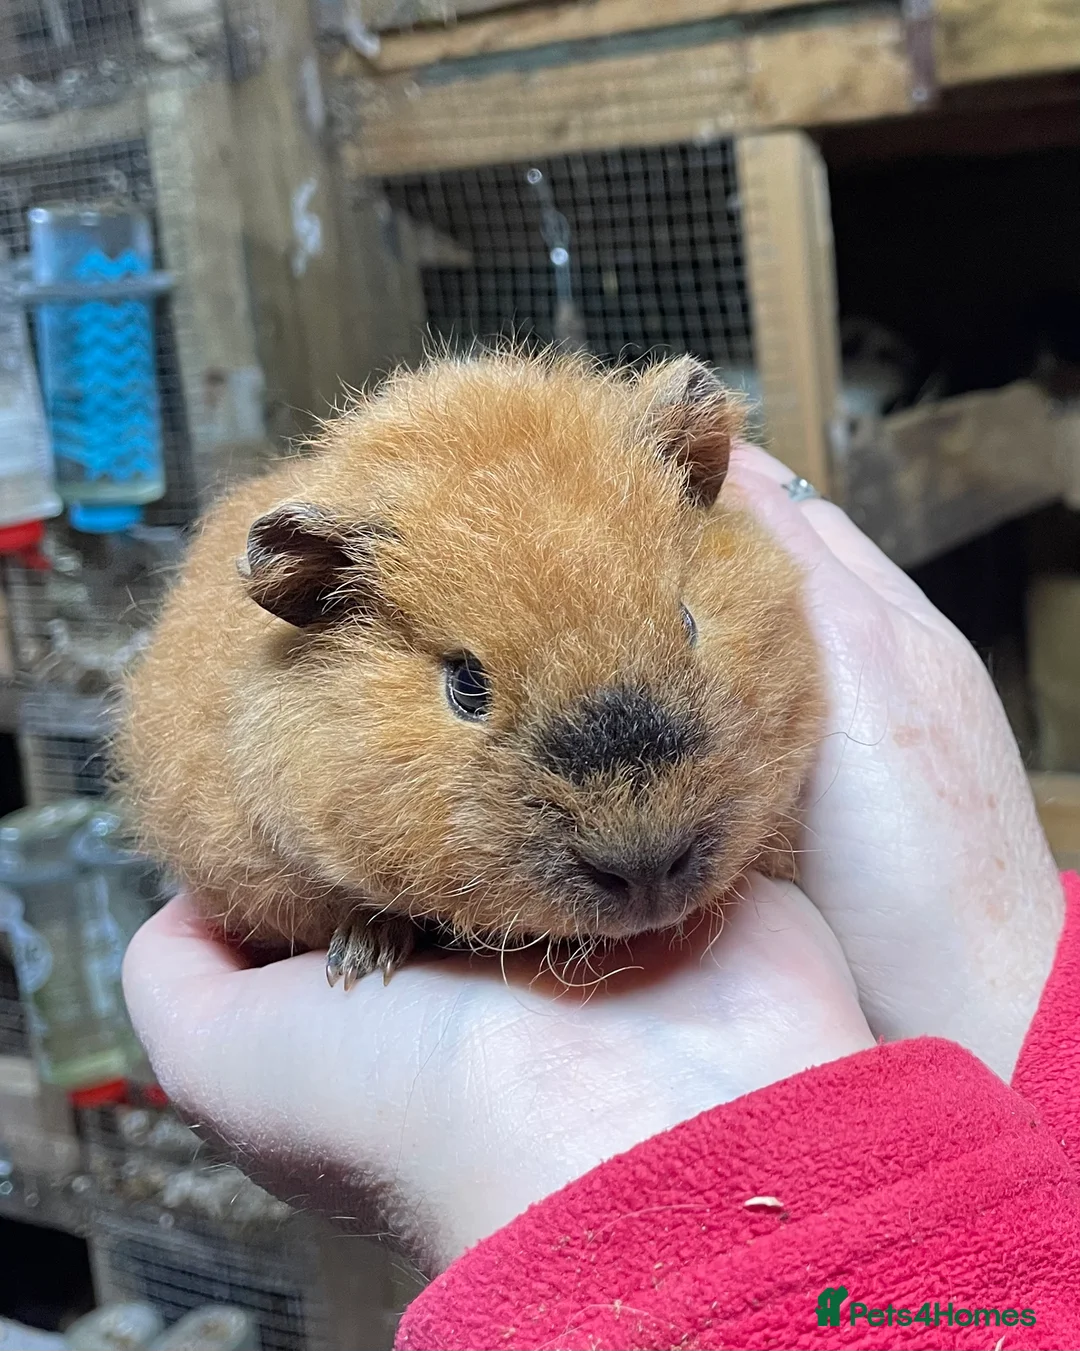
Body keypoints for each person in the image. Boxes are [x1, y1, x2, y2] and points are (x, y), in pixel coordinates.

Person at [122, 443, 1079, 1350]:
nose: (642, 846)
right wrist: (1008, 981)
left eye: (685, 628)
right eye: (467, 686)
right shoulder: (247, 734)